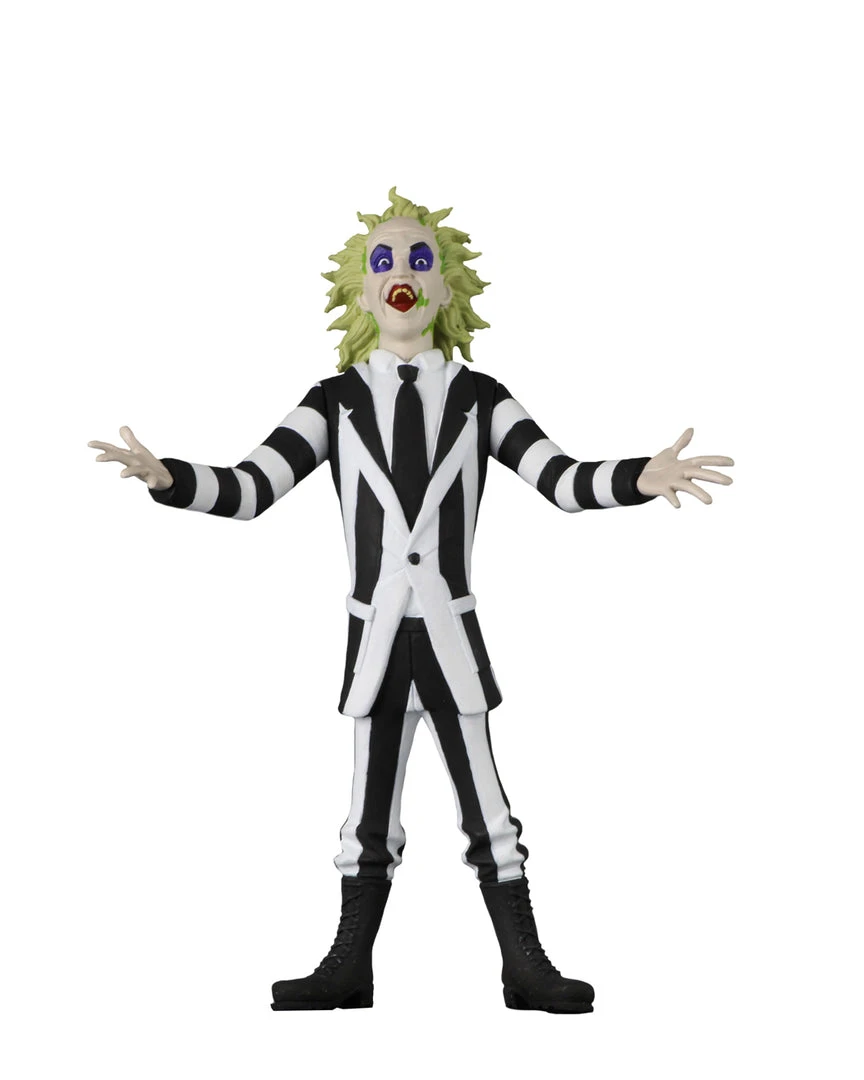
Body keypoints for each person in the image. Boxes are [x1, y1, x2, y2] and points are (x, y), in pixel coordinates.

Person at [90, 188, 733, 1013]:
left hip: (452, 638)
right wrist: (169, 478)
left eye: (420, 260)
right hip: (377, 643)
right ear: (361, 291)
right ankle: (348, 967)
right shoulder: (332, 401)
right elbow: (251, 489)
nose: (403, 272)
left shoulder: (480, 397)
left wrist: (639, 476)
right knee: (367, 812)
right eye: (385, 260)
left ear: (445, 287)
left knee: (489, 808)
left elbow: (560, 480)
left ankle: (524, 966)